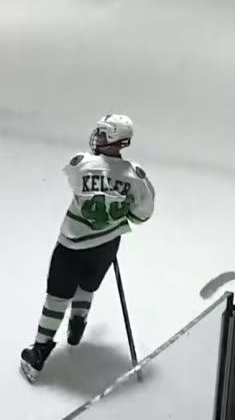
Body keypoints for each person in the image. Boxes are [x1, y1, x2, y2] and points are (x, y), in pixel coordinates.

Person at [20, 114, 155, 383]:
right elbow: (142, 214)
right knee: (88, 285)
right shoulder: (137, 175)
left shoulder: (81, 164)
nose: (99, 137)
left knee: (57, 297)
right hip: (107, 244)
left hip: (72, 243)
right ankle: (78, 323)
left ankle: (40, 350)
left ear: (113, 138)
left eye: (104, 134)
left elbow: (74, 182)